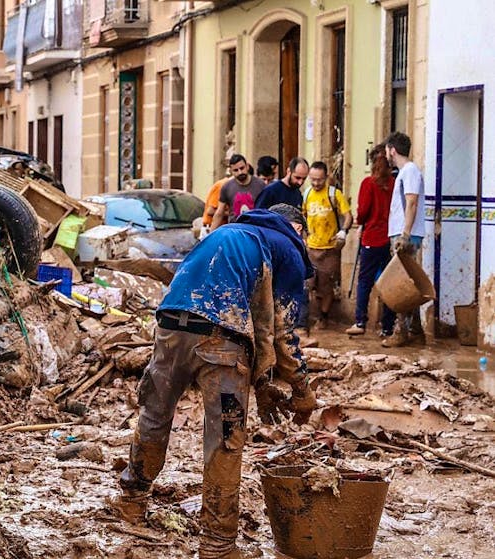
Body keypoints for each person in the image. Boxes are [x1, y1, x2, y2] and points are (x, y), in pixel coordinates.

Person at [111, 204, 316, 559]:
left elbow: (255, 317)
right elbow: (282, 330)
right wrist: (302, 388)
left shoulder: (227, 233)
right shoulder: (288, 248)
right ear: (298, 229)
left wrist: (262, 383)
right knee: (224, 439)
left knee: (154, 417)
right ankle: (217, 545)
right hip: (221, 340)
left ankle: (131, 502)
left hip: (170, 327)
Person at [382, 131, 427, 347]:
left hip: (405, 235)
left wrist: (405, 234)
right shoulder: (405, 172)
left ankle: (400, 331)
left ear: (392, 150)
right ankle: (416, 331)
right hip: (404, 233)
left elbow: (411, 203)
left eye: (387, 150)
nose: (386, 154)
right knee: (409, 283)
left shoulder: (409, 171)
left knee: (401, 284)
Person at [347, 145, 396, 336]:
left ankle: (360, 322)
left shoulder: (368, 183)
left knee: (365, 281)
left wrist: (360, 223)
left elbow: (363, 211)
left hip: (371, 238)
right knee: (389, 282)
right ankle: (387, 326)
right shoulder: (393, 183)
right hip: (389, 238)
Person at [301, 161, 352, 330]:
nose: (316, 183)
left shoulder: (334, 194)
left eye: (319, 180)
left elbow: (348, 215)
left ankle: (323, 317)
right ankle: (308, 317)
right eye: (313, 179)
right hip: (311, 248)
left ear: (326, 177)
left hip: (330, 249)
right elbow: (302, 217)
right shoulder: (307, 194)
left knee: (326, 285)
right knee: (308, 285)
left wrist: (343, 231)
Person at [212, 154, 266, 228]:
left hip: (256, 228)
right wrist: (211, 235)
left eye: (242, 168)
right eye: (236, 170)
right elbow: (219, 213)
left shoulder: (261, 185)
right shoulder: (226, 187)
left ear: (247, 166)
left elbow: (267, 210)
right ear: (231, 171)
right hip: (235, 229)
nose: (240, 172)